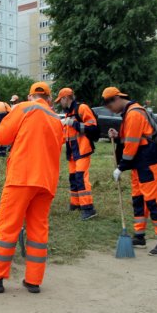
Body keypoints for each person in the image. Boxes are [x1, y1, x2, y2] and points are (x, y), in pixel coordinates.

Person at [0, 82, 63, 294]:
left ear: (31, 96)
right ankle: (33, 280)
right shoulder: (56, 119)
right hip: (47, 181)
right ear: (48, 98)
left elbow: (2, 136)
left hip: (22, 177)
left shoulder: (25, 108)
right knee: (38, 230)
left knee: (8, 226)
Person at [104, 87, 157, 256]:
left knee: (152, 200)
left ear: (117, 99)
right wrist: (118, 136)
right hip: (139, 161)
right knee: (138, 198)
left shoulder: (134, 113)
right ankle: (140, 236)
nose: (110, 110)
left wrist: (121, 167)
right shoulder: (128, 113)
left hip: (148, 160)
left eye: (110, 106)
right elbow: (130, 138)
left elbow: (133, 143)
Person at [56, 87, 98, 220]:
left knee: (81, 178)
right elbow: (66, 136)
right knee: (73, 178)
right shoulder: (69, 113)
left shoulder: (82, 109)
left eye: (60, 101)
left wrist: (72, 123)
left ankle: (88, 208)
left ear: (65, 98)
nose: (59, 104)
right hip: (73, 152)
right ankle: (76, 204)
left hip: (83, 150)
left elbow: (92, 127)